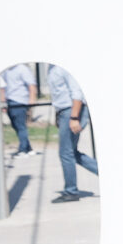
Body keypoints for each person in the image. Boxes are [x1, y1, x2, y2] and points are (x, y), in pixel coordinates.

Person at [50, 64, 98, 201]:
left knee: (66, 153)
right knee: (72, 153)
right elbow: (59, 95)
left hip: (71, 111)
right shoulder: (52, 69)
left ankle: (71, 191)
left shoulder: (64, 67)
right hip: (64, 112)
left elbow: (77, 93)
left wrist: (74, 117)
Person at [0, 63, 36, 159]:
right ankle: (29, 148)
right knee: (15, 126)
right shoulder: (6, 70)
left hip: (20, 100)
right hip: (9, 100)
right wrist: (3, 101)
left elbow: (31, 85)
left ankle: (23, 150)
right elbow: (2, 87)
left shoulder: (22, 69)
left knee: (20, 126)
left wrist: (31, 100)